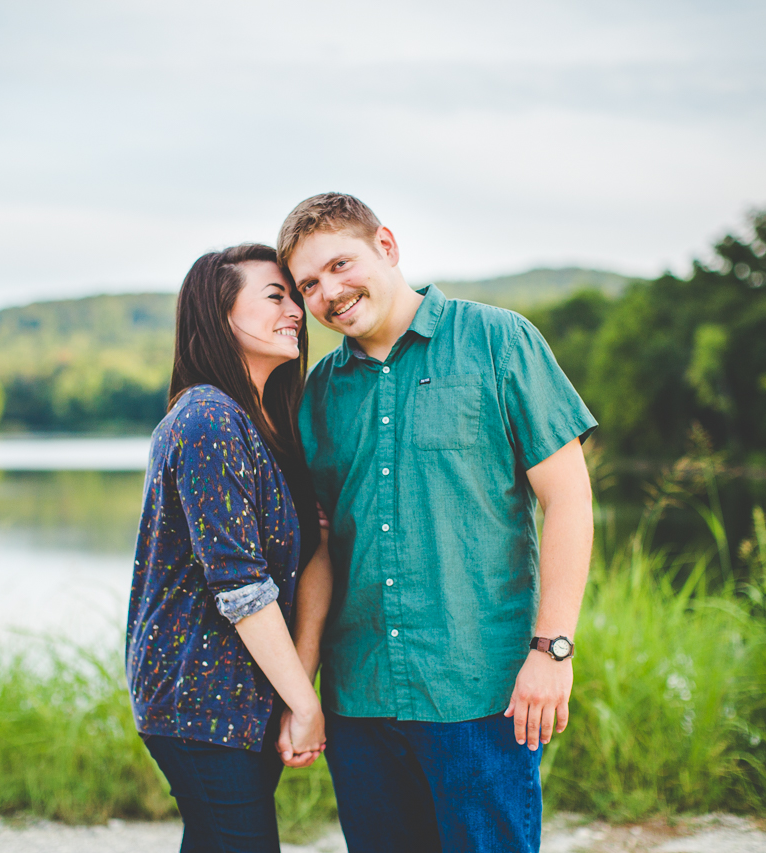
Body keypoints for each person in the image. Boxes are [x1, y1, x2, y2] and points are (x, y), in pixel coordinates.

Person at [279, 194, 598, 853]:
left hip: (479, 695)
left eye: (341, 265)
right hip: (360, 700)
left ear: (387, 247)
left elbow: (568, 500)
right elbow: (319, 548)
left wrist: (552, 648)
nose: (329, 293)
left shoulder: (497, 340)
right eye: (309, 284)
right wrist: (301, 685)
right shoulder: (319, 393)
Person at [125, 243, 333, 853]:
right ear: (219, 315)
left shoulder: (268, 423)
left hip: (243, 699)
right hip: (199, 702)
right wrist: (306, 703)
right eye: (276, 295)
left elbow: (312, 555)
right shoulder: (208, 420)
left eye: (294, 296)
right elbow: (241, 590)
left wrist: (300, 686)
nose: (296, 308)